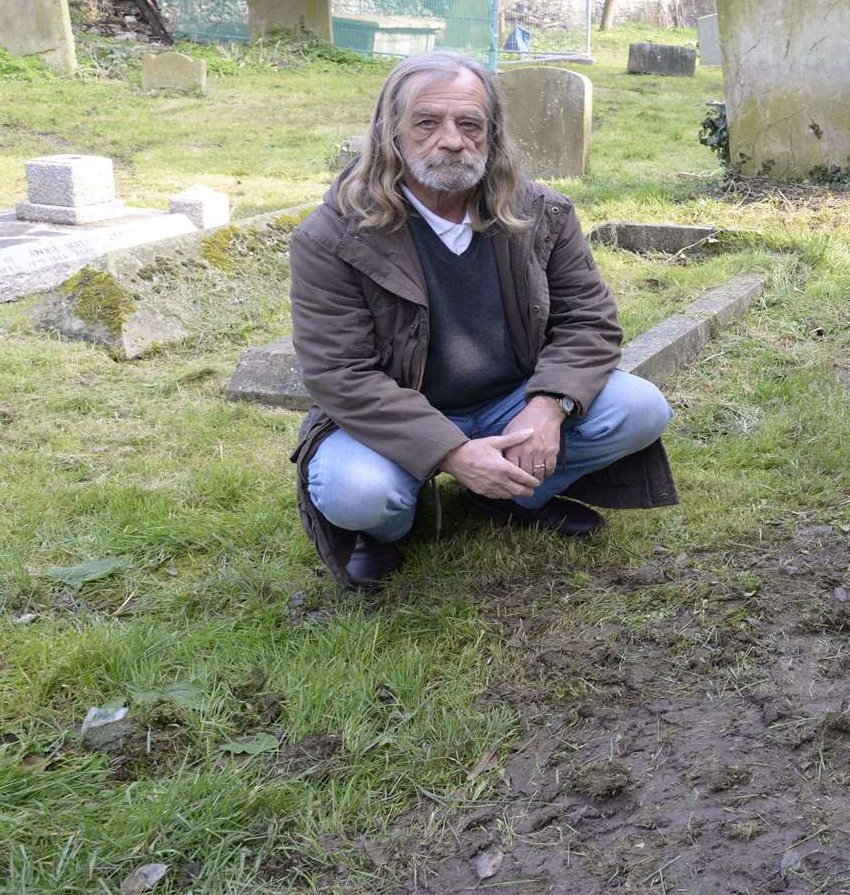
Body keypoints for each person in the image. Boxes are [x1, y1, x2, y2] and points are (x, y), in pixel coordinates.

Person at [288, 52, 676, 587]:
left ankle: (514, 494)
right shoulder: (333, 236)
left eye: (469, 124)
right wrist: (449, 450)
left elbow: (590, 321)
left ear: (491, 134)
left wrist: (547, 407)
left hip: (509, 402)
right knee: (360, 493)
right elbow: (339, 374)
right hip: (394, 418)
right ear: (390, 133)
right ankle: (389, 527)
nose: (451, 139)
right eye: (427, 122)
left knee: (640, 408)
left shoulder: (542, 213)